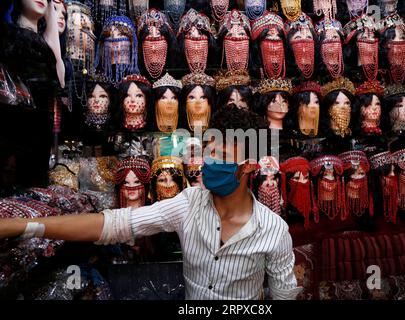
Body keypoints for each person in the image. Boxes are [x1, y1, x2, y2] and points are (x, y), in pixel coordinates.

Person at [0, 107, 300, 300]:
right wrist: (23, 226)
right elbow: (115, 224)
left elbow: (283, 296)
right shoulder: (189, 204)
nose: (208, 163)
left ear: (247, 166)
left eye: (220, 155)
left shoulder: (273, 231)